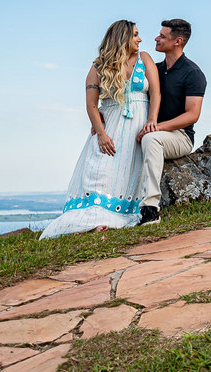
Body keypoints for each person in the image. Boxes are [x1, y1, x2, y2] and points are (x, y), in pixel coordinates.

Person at [41, 20, 161, 239]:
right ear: (122, 37)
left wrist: (151, 120)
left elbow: (155, 92)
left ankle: (117, 216)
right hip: (110, 126)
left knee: (129, 174)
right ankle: (91, 220)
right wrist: (102, 135)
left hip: (138, 127)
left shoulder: (144, 59)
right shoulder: (98, 66)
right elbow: (91, 105)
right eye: (135, 35)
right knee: (99, 172)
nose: (140, 39)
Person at [135, 18, 206, 225]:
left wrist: (156, 127)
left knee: (151, 139)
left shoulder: (193, 73)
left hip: (180, 136)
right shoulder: (155, 69)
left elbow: (192, 115)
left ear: (178, 41)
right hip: (154, 131)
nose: (156, 38)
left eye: (162, 36)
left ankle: (150, 209)